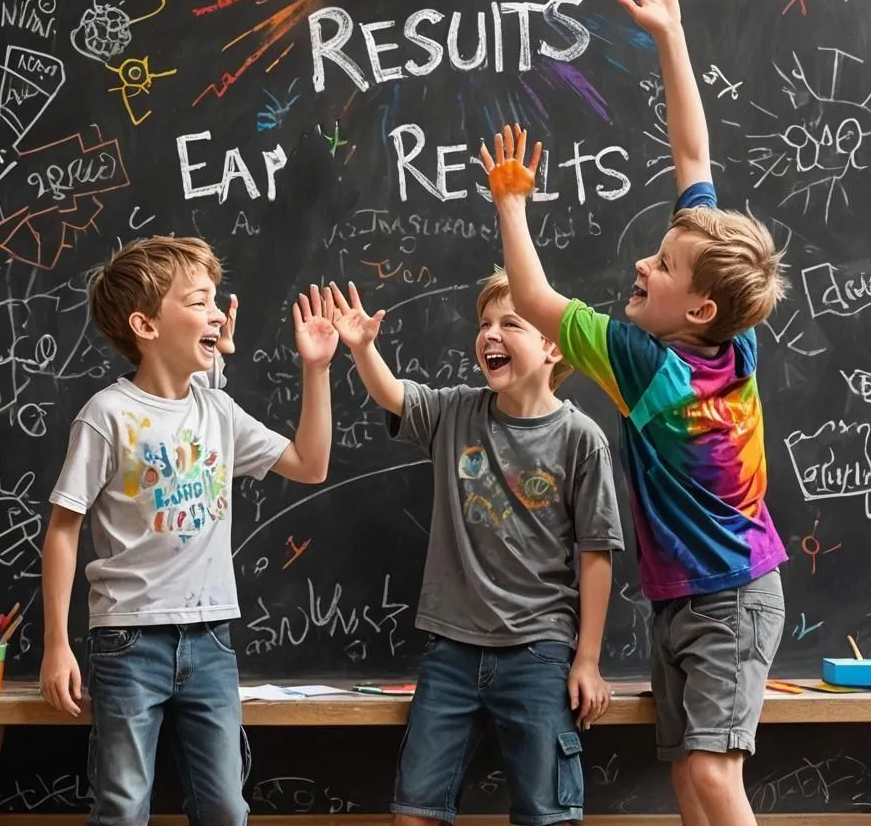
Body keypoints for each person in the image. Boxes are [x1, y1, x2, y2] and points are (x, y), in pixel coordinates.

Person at [479, 0, 790, 826]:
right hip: (697, 593)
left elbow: (536, 303)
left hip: (722, 596)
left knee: (714, 777)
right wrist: (671, 35)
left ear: (694, 303)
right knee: (693, 777)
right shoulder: (735, 334)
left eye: (660, 265)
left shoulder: (649, 365)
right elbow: (694, 153)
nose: (642, 265)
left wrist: (511, 207)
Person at [39, 236, 338, 825]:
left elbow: (311, 463)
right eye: (199, 302)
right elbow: (62, 530)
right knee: (123, 805)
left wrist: (317, 368)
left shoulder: (217, 411)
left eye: (215, 302)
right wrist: (56, 645)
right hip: (128, 640)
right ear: (145, 325)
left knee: (226, 806)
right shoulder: (107, 416)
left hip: (210, 640)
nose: (217, 313)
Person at [327, 272, 624, 826]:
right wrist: (364, 350)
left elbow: (597, 551)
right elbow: (393, 393)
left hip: (539, 652)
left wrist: (587, 658)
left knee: (548, 813)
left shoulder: (581, 438)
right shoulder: (456, 411)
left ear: (553, 345)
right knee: (414, 809)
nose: (490, 334)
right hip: (451, 652)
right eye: (484, 324)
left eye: (511, 323)